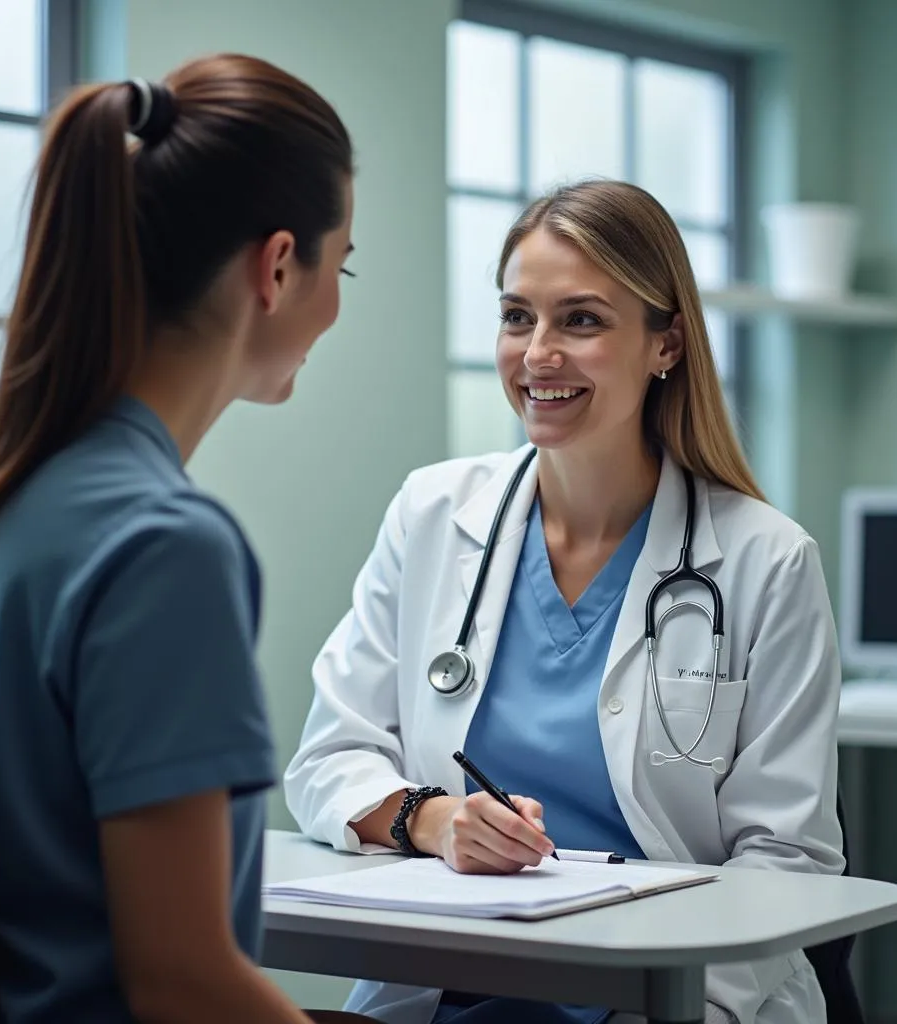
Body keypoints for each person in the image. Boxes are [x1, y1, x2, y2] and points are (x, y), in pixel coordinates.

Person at [284, 179, 845, 1024]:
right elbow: (328, 762)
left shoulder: (766, 559)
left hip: (668, 997)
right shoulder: (432, 514)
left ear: (666, 344)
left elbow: (787, 856)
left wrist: (682, 1006)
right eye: (518, 317)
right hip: (447, 986)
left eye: (580, 320)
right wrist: (434, 821)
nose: (537, 353)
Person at [0, 55, 373, 1024]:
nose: (335, 300)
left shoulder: (5, 493)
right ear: (276, 267)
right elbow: (184, 981)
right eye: (341, 262)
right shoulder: (164, 547)